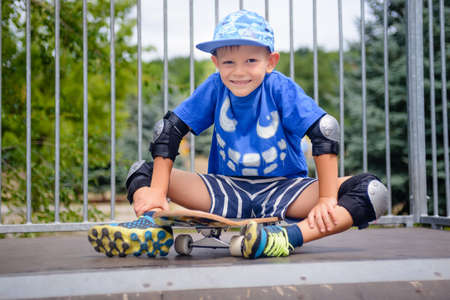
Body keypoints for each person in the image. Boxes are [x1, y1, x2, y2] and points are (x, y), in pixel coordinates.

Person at [88, 10, 388, 259]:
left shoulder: (280, 89)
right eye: (228, 62)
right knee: (143, 172)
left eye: (251, 61)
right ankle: (151, 227)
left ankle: (284, 238)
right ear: (216, 62)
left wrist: (325, 199)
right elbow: (168, 131)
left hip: (285, 190)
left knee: (371, 191)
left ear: (271, 62)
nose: (239, 71)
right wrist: (156, 195)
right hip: (225, 189)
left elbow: (324, 131)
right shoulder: (215, 87)